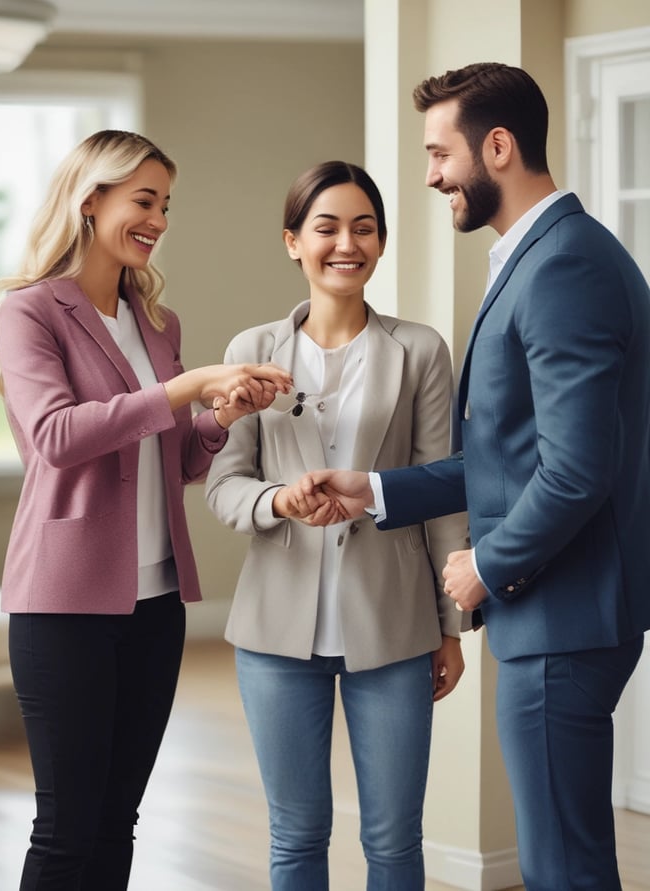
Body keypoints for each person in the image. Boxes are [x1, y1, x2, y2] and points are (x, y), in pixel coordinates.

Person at [297, 63, 650, 891]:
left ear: (498, 146)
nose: (429, 176)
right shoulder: (546, 255)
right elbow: (510, 455)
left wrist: (485, 565)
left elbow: (574, 471)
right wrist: (376, 489)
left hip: (563, 617)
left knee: (562, 865)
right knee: (563, 853)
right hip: (564, 614)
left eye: (438, 152)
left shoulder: (563, 265)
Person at [0, 129, 292, 891]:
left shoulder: (158, 322)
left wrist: (220, 416)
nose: (159, 218)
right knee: (66, 826)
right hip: (64, 602)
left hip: (154, 604)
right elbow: (55, 437)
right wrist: (184, 389)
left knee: (120, 818)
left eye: (166, 204)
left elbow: (174, 458)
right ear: (91, 201)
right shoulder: (29, 311)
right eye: (143, 200)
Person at [204, 160, 469, 891]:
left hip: (395, 627)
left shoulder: (420, 350)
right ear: (293, 241)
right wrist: (277, 503)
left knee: (392, 841)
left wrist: (451, 626)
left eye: (363, 227)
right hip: (272, 635)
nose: (345, 243)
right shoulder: (248, 352)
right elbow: (223, 485)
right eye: (326, 227)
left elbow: (441, 490)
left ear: (380, 242)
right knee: (295, 836)